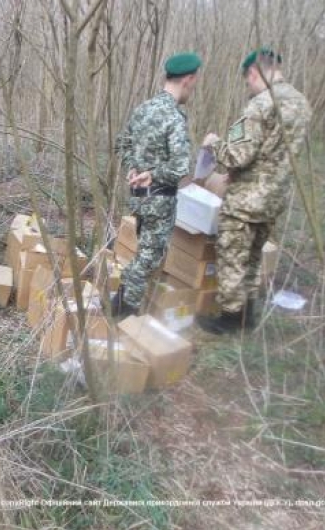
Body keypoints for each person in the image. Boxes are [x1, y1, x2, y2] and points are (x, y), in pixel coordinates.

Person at [198, 47, 312, 334]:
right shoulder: (301, 104)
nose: (248, 86)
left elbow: (237, 155)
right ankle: (247, 314)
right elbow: (274, 154)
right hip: (274, 198)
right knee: (252, 257)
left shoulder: (260, 104)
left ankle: (230, 319)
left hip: (246, 199)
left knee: (233, 255)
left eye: (247, 80)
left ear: (253, 72)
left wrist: (214, 143)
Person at [113, 52, 201, 317]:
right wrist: (152, 174)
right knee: (148, 259)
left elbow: (122, 144)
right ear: (187, 80)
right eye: (194, 83)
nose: (193, 89)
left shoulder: (144, 108)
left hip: (138, 197)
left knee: (144, 253)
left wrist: (133, 167)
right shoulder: (174, 116)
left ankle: (120, 306)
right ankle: (123, 315)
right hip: (160, 200)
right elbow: (180, 166)